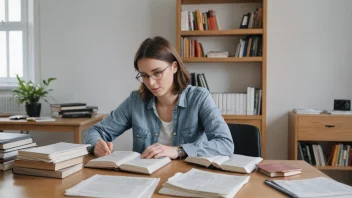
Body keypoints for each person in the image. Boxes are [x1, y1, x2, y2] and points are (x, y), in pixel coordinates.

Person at [84, 36, 234, 159]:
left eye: (157, 73)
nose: (151, 82)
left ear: (174, 67)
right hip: (146, 180)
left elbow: (225, 144)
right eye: (144, 75)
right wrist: (97, 144)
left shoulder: (199, 98)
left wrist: (178, 150)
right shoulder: (135, 101)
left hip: (189, 179)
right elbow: (94, 132)